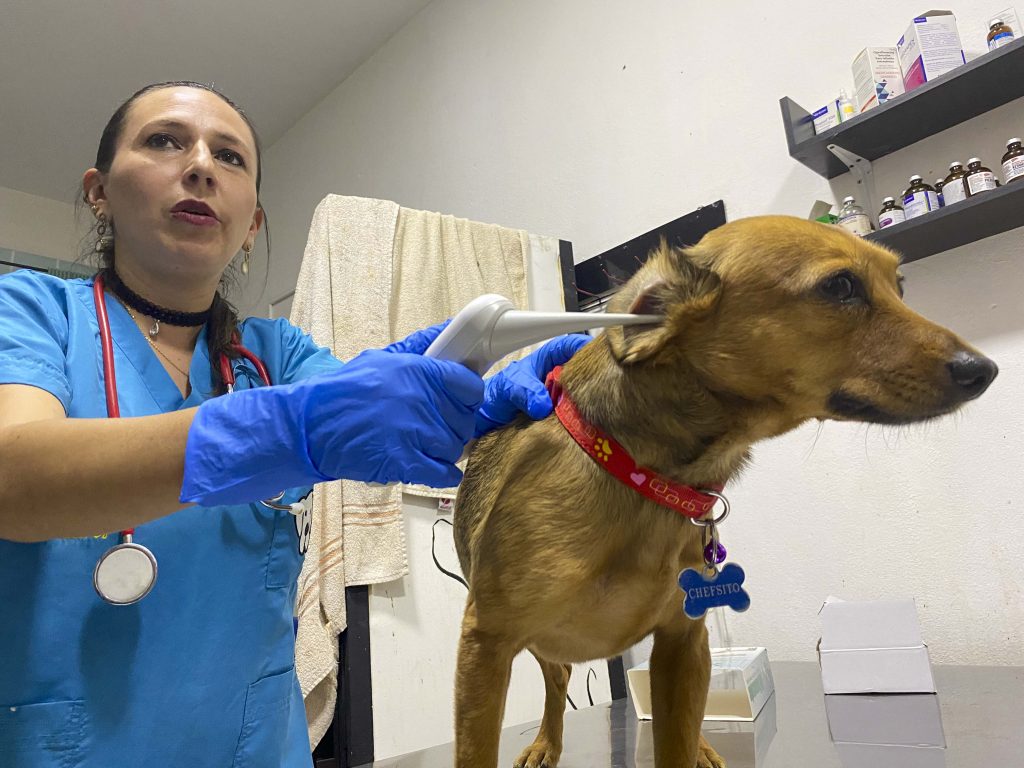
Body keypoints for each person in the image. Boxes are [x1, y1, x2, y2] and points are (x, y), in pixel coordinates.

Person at [0, 81, 588, 767]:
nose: (200, 166)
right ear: (99, 192)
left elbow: (385, 418)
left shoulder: (275, 354)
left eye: (230, 156)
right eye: (164, 140)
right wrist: (287, 431)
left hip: (257, 747)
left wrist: (483, 406)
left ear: (250, 223)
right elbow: (16, 475)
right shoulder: (32, 310)